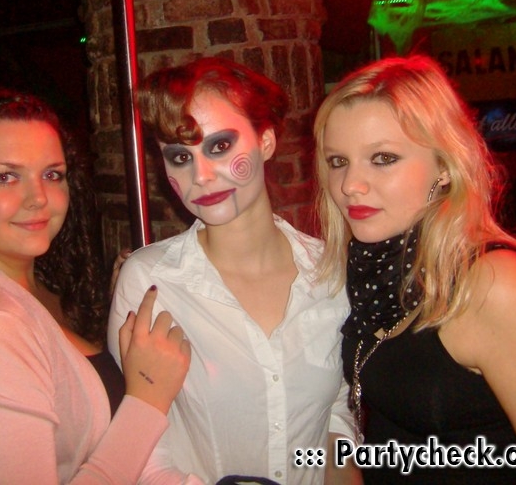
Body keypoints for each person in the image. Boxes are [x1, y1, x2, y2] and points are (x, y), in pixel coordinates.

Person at [312, 55, 516, 483]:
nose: (350, 185)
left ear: (445, 168)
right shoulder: (371, 275)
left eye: (383, 158)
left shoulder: (493, 284)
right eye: (338, 161)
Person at [0, 87, 190, 484]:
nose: (38, 198)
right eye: (5, 177)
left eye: (51, 174)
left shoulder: (26, 288)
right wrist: (147, 399)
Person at [107, 57, 357, 484]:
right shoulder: (150, 283)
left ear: (266, 141)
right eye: (179, 157)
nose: (201, 175)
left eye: (219, 147)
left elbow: (334, 413)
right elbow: (140, 445)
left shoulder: (331, 273)